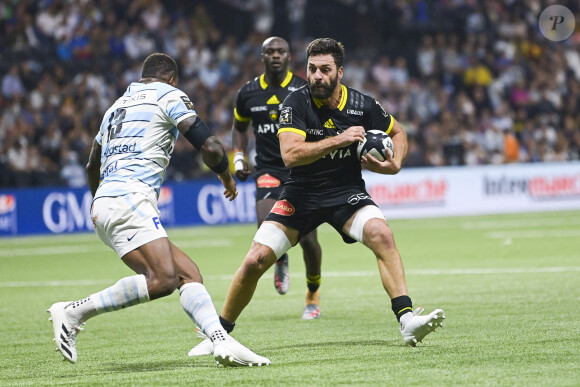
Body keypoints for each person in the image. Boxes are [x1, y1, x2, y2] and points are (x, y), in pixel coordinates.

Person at [191, 38, 445, 355]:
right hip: (301, 194)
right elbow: (290, 154)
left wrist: (396, 164)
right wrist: (340, 139)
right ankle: (218, 335)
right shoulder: (294, 104)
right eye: (312, 69)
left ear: (339, 72)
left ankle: (407, 320)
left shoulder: (362, 104)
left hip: (346, 193)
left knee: (382, 234)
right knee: (255, 260)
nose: (317, 77)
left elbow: (399, 132)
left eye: (325, 70)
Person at [47, 53, 270, 367]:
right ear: (172, 79)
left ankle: (220, 341)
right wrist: (225, 177)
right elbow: (211, 147)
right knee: (163, 279)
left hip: (105, 203)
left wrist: (101, 201)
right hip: (130, 197)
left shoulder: (115, 106)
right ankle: (73, 311)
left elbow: (91, 164)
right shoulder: (169, 95)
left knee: (188, 275)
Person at [231, 37, 322, 317]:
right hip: (268, 169)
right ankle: (280, 258)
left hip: (302, 169)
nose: (275, 56)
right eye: (270, 51)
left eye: (280, 51)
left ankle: (312, 294)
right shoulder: (248, 93)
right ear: (262, 57)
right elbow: (239, 128)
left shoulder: (303, 89)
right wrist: (238, 158)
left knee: (307, 239)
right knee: (265, 225)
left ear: (288, 56)